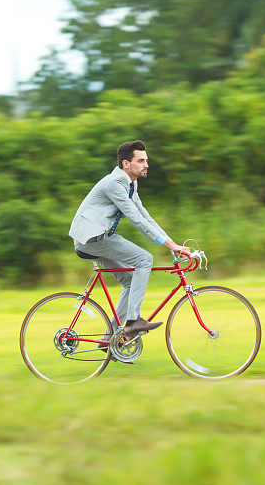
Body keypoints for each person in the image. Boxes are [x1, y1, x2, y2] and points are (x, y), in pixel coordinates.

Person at [69, 140, 191, 337]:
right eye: (141, 160)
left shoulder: (130, 184)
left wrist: (172, 244)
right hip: (92, 239)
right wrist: (170, 245)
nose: (146, 165)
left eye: (146, 160)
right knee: (145, 259)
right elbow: (136, 220)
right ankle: (133, 320)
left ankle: (110, 339)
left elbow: (146, 217)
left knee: (130, 279)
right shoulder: (115, 184)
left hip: (97, 239)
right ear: (126, 164)